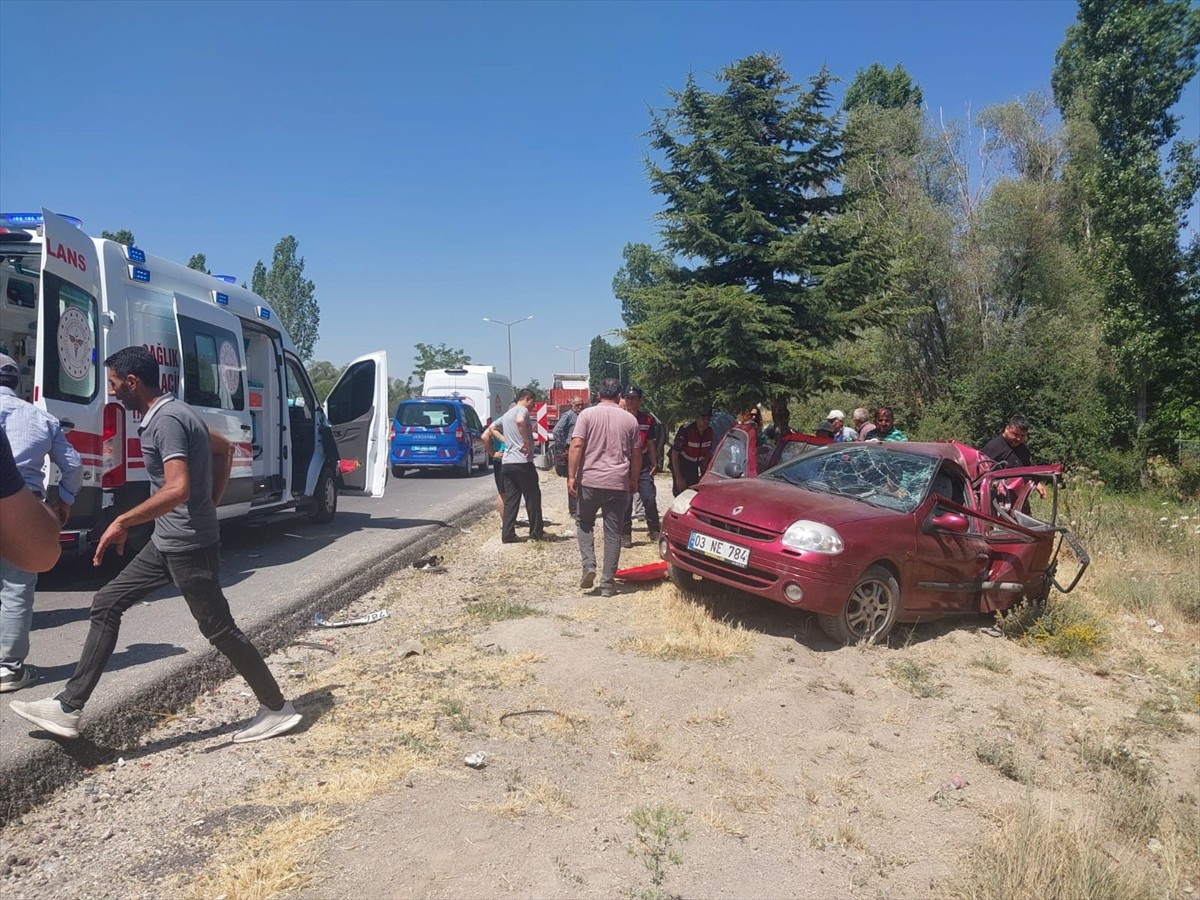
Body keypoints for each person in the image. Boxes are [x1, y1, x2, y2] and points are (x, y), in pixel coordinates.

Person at [10, 346, 301, 743]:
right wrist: (205, 507)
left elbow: (177, 486)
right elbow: (224, 450)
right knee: (107, 602)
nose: (111, 393)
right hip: (171, 540)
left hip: (186, 546)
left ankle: (276, 707)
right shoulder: (179, 412)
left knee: (219, 630)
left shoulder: (164, 421)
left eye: (113, 386)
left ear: (133, 383)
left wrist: (124, 520)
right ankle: (68, 708)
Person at [0, 354, 83, 693]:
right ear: (16, 383)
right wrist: (63, 502)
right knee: (17, 587)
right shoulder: (40, 417)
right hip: (24, 505)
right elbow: (74, 465)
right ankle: (8, 669)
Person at [567, 378, 640, 598]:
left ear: (598, 395)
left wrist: (571, 476)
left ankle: (589, 564)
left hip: (589, 480)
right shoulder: (630, 420)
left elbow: (577, 444)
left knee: (585, 523)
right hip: (617, 482)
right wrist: (633, 480)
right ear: (619, 397)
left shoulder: (586, 415)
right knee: (613, 533)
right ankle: (608, 583)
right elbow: (637, 454)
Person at [0, 430, 62, 574]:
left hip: (16, 497)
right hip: (21, 499)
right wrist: (66, 498)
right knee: (17, 588)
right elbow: (42, 555)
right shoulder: (46, 420)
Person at [497, 388, 544, 543]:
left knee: (512, 499)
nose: (533, 406)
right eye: (533, 402)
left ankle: (508, 534)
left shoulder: (506, 414)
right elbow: (520, 421)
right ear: (527, 398)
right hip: (522, 462)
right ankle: (536, 533)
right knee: (532, 497)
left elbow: (491, 430)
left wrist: (507, 441)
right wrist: (525, 441)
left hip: (507, 463)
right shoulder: (521, 410)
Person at [620, 386, 661, 547]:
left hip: (643, 463)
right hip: (624, 462)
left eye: (634, 398)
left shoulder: (647, 420)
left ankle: (654, 530)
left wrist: (654, 462)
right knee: (626, 501)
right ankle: (625, 534)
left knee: (649, 497)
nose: (630, 401)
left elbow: (651, 443)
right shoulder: (620, 418)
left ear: (640, 400)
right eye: (628, 398)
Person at [982, 414, 1046, 502]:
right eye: (1015, 434)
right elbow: (980, 471)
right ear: (1007, 428)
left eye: (1022, 436)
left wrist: (1037, 483)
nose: (1018, 439)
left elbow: (1027, 470)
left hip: (1018, 498)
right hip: (995, 499)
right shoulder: (993, 447)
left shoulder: (1023, 450)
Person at [551, 398, 586, 521]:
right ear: (572, 405)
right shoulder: (569, 415)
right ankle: (574, 510)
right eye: (577, 405)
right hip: (571, 449)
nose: (580, 407)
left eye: (582, 405)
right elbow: (556, 431)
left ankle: (580, 508)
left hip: (581, 450)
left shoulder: (583, 415)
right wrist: (563, 447)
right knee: (573, 479)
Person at [671, 408, 714, 495]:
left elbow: (706, 455)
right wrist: (679, 477)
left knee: (693, 491)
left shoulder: (710, 432)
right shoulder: (686, 430)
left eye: (708, 419)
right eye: (703, 419)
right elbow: (675, 454)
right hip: (681, 463)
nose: (706, 422)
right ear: (697, 418)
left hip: (694, 464)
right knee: (681, 491)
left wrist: (703, 474)